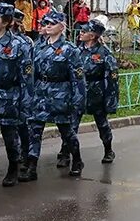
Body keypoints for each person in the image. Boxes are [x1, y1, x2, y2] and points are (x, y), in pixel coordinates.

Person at [27, 10, 85, 178]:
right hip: (40, 94)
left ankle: (77, 159)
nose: (48, 26)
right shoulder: (38, 46)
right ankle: (31, 166)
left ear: (62, 26)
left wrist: (78, 100)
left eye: (52, 24)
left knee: (66, 131)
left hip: (60, 94)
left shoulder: (70, 49)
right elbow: (32, 73)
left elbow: (78, 78)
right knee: (35, 130)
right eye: (46, 24)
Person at [0, 4, 32, 187]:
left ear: (6, 22)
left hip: (11, 96)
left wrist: (25, 104)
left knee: (10, 136)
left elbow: (27, 78)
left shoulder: (20, 45)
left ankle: (13, 167)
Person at [77, 20, 119, 163]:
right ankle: (65, 153)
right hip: (79, 92)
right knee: (71, 124)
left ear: (93, 35)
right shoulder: (77, 51)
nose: (81, 33)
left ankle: (108, 150)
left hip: (97, 92)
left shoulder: (104, 52)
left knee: (102, 123)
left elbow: (112, 77)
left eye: (85, 31)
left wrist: (110, 99)